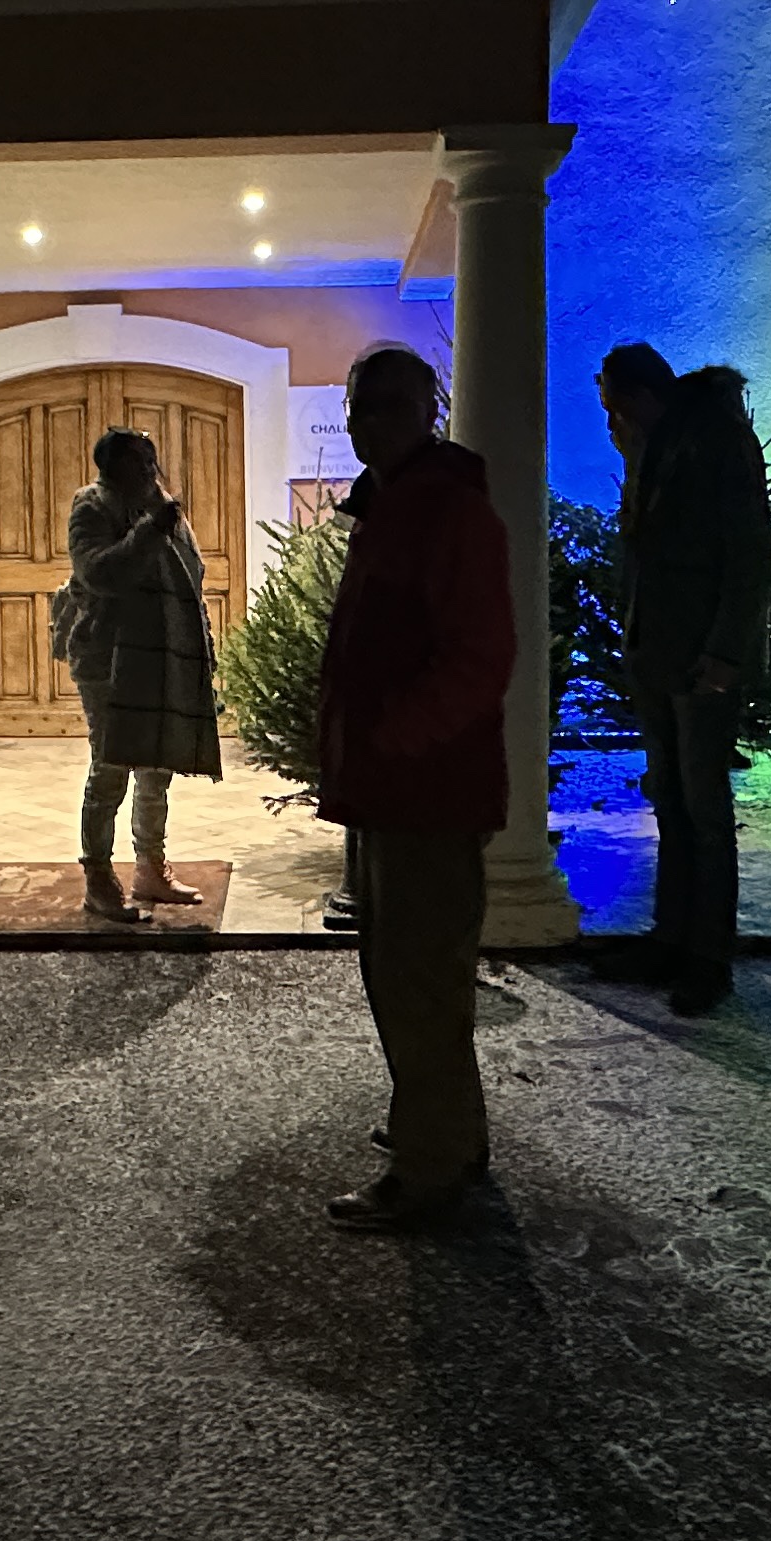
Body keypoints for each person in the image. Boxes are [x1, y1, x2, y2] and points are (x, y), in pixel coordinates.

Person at [310, 343, 515, 1230]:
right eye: (359, 406)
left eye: (387, 406)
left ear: (426, 412)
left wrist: (395, 742)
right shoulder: (392, 504)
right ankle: (446, 1131)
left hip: (425, 791)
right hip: (389, 788)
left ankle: (430, 1169)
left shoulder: (447, 512)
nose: (366, 423)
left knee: (419, 979)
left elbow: (480, 659)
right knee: (408, 973)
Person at [593, 340, 771, 1016]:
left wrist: (725, 654)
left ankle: (708, 958)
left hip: (701, 660)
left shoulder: (714, 441)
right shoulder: (659, 445)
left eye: (615, 408)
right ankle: (670, 939)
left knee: (704, 809)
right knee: (671, 800)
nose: (611, 423)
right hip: (661, 651)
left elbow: (747, 554)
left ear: (642, 396)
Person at [62, 425, 223, 921]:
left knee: (157, 766)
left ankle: (150, 867)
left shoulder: (163, 507)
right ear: (111, 466)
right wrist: (147, 533)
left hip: (162, 655)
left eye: (151, 459)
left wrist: (202, 646)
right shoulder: (93, 506)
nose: (148, 469)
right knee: (110, 768)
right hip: (110, 659)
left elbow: (190, 579)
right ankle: (98, 878)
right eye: (137, 461)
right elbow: (99, 573)